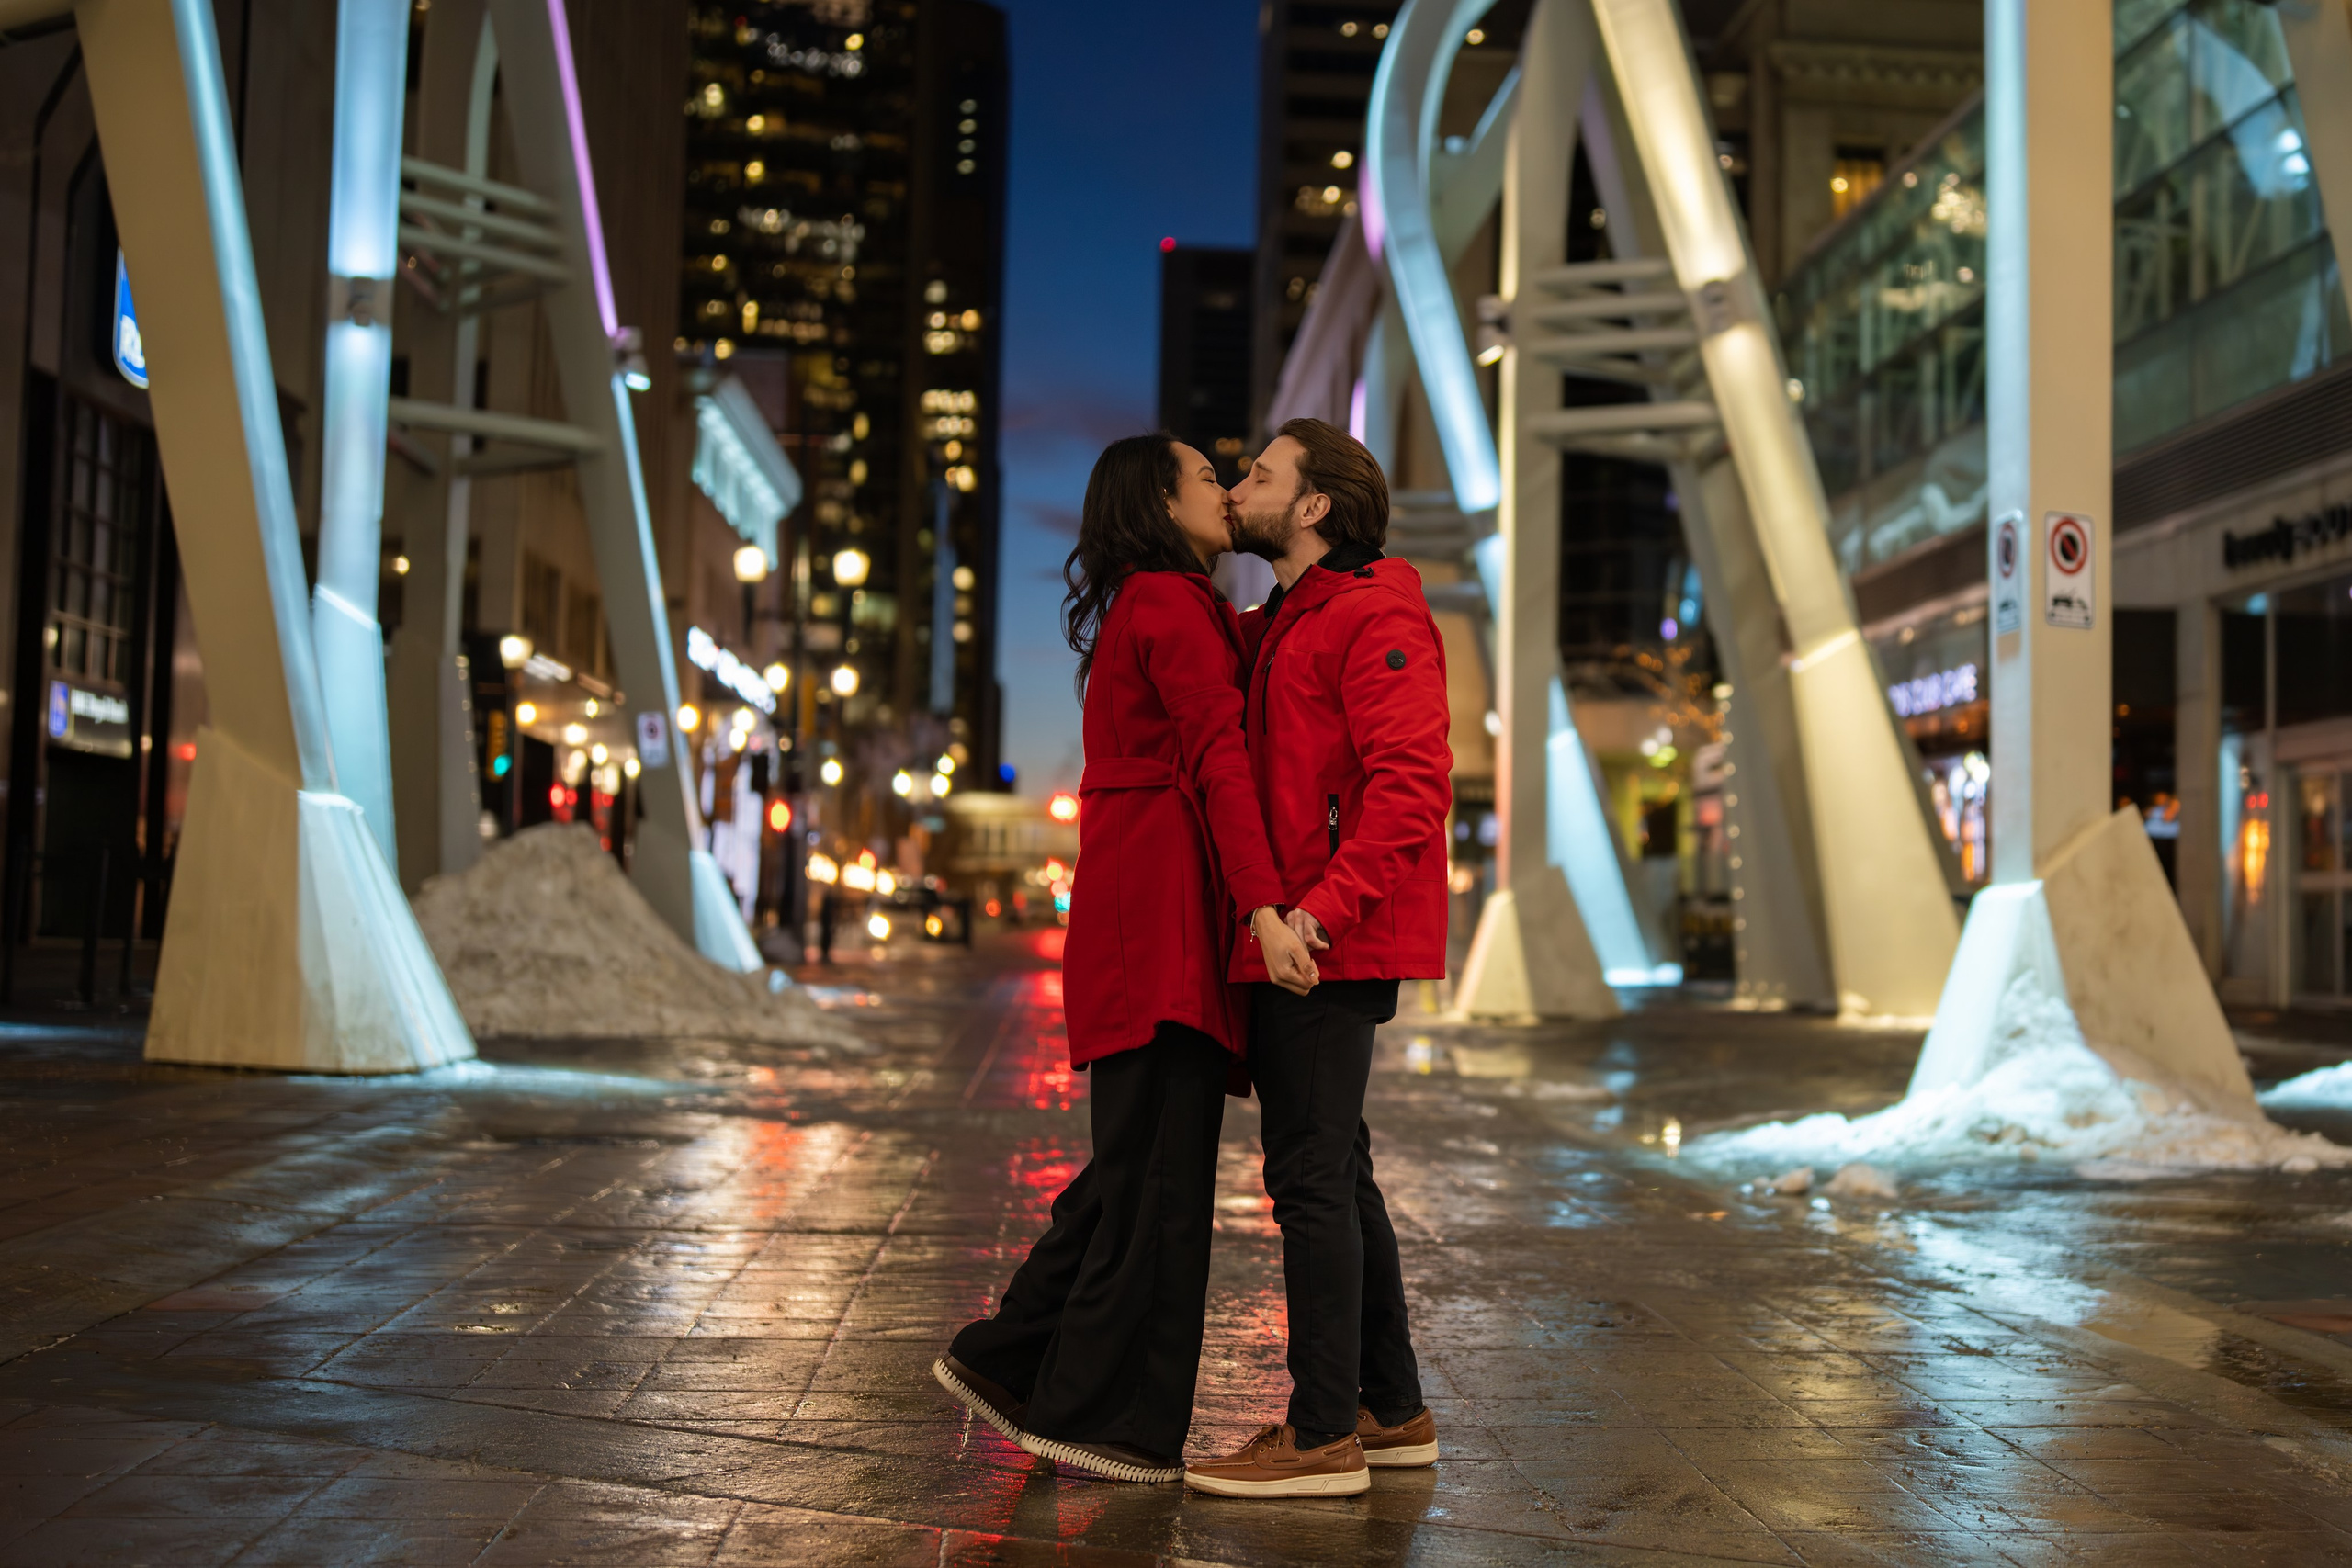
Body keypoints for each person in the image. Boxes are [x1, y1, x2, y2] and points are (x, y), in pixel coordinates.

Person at [932, 434, 1322, 1484]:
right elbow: (1219, 760)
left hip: (1142, 913)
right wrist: (1264, 908)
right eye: (1207, 477)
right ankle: (1105, 1421)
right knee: (1158, 1182)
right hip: (1161, 924)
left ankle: (1009, 1361)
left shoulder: (1158, 606)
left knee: (1135, 1164)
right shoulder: (1168, 603)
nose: (1225, 491)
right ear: (1159, 500)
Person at [1182, 418, 1451, 1500]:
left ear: (1311, 509)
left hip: (1325, 945)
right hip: (1302, 938)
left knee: (1309, 1182)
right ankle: (1389, 1410)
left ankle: (1321, 1432)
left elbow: (1410, 789)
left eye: (1258, 475)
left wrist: (1316, 917)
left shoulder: (1372, 613)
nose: (1239, 486)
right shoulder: (1287, 619)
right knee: (1337, 1170)